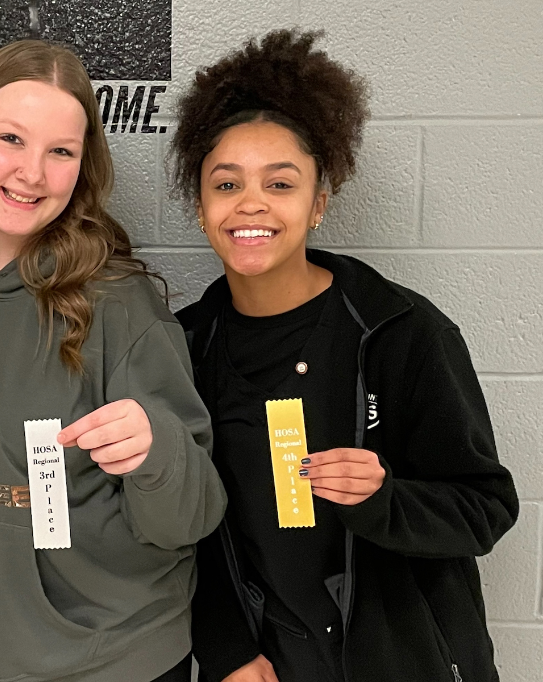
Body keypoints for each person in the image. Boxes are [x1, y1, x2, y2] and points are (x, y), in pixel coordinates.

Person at [169, 29, 519, 682]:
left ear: (318, 203)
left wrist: (384, 498)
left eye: (280, 183)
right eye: (226, 184)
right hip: (272, 665)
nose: (252, 204)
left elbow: (486, 511)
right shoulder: (185, 347)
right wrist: (227, 650)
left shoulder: (400, 332)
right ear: (200, 206)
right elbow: (191, 536)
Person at [0, 39, 227, 682]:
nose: (32, 174)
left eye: (60, 153)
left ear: (83, 167)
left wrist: (155, 450)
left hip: (107, 661)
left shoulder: (117, 300)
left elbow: (192, 515)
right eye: (11, 140)